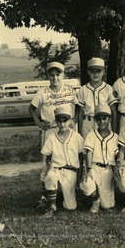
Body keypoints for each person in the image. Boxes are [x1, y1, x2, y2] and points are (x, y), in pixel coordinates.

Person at [29, 61, 79, 208]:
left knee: (69, 158)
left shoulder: (70, 90)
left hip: (66, 128)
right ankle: (45, 196)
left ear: (63, 75)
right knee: (47, 162)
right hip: (50, 129)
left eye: (58, 74)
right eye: (51, 75)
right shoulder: (42, 92)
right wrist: (38, 122)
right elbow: (31, 108)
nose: (55, 78)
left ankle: (71, 190)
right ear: (48, 76)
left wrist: (74, 120)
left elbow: (79, 107)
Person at [41, 106, 84, 217]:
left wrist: (79, 179)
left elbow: (81, 157)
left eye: (65, 121)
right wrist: (50, 168)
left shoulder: (77, 137)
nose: (62, 124)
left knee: (71, 207)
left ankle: (60, 196)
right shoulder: (51, 138)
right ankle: (52, 205)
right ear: (56, 122)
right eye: (59, 121)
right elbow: (47, 158)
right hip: (57, 169)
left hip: (72, 172)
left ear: (70, 121)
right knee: (50, 176)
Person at [79, 104, 119, 213]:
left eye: (104, 118)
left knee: (107, 206)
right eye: (99, 119)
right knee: (86, 184)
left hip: (108, 170)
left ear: (109, 119)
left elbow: (117, 155)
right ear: (95, 120)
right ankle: (95, 199)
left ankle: (101, 196)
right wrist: (88, 169)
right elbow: (89, 152)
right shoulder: (91, 135)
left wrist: (117, 170)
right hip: (94, 167)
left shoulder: (115, 137)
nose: (102, 122)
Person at [77, 57, 118, 138]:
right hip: (88, 123)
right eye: (93, 71)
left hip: (104, 123)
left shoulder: (108, 88)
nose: (95, 74)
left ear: (103, 72)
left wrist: (114, 132)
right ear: (88, 72)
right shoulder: (83, 89)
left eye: (98, 71)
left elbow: (114, 112)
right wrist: (80, 133)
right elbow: (80, 113)